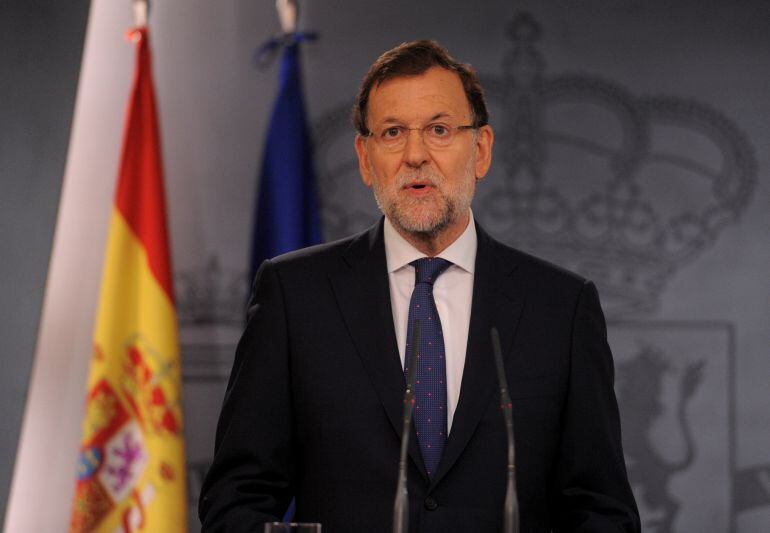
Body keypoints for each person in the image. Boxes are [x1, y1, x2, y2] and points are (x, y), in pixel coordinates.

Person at [199, 40, 640, 533]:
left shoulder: (560, 308)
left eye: (439, 129)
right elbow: (235, 501)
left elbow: (603, 512)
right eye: (392, 133)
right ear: (366, 159)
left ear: (481, 149)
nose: (415, 155)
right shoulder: (295, 296)